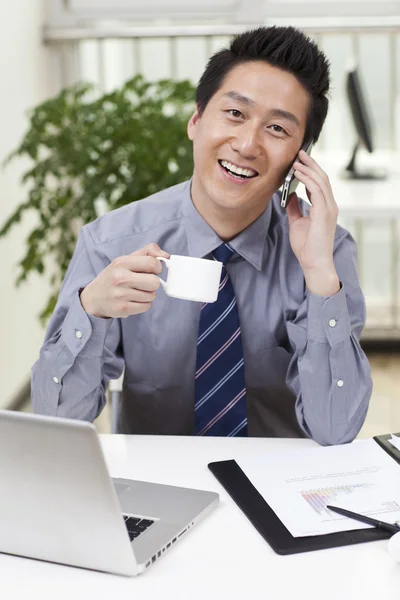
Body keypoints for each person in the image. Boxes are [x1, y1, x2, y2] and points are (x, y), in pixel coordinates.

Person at [31, 26, 372, 445]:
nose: (247, 144)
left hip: (278, 490)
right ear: (196, 120)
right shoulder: (111, 243)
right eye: (235, 114)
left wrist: (320, 275)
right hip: (157, 488)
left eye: (278, 129)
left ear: (300, 160)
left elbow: (336, 430)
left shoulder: (326, 250)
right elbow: (55, 422)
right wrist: (92, 311)